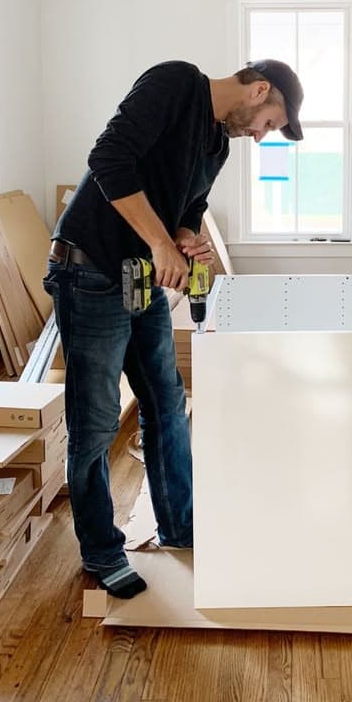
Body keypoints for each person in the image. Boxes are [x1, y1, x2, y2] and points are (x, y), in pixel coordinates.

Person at [44, 59, 304, 598]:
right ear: (259, 90)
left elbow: (191, 206)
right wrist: (161, 243)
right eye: (269, 124)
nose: (260, 136)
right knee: (95, 420)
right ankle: (101, 550)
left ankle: (180, 525)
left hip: (137, 276)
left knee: (166, 401)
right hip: (89, 269)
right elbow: (109, 159)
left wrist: (185, 237)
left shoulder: (217, 144)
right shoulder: (176, 83)